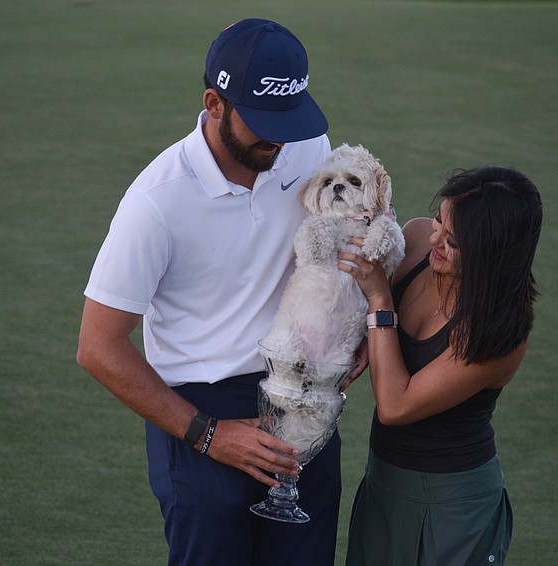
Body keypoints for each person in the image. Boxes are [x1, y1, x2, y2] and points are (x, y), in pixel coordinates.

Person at [77, 18, 356, 566]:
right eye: (263, 120)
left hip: (302, 400)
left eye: (290, 118)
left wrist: (364, 328)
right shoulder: (156, 203)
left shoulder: (306, 148)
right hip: (197, 412)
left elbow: (349, 234)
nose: (279, 136)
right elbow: (98, 346)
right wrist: (209, 435)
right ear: (214, 103)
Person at [338, 166, 543, 565]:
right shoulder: (414, 240)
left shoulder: (501, 329)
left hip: (454, 503)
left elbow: (395, 406)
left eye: (453, 241)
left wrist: (381, 303)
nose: (434, 240)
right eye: (438, 221)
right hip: (384, 481)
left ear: (492, 254)